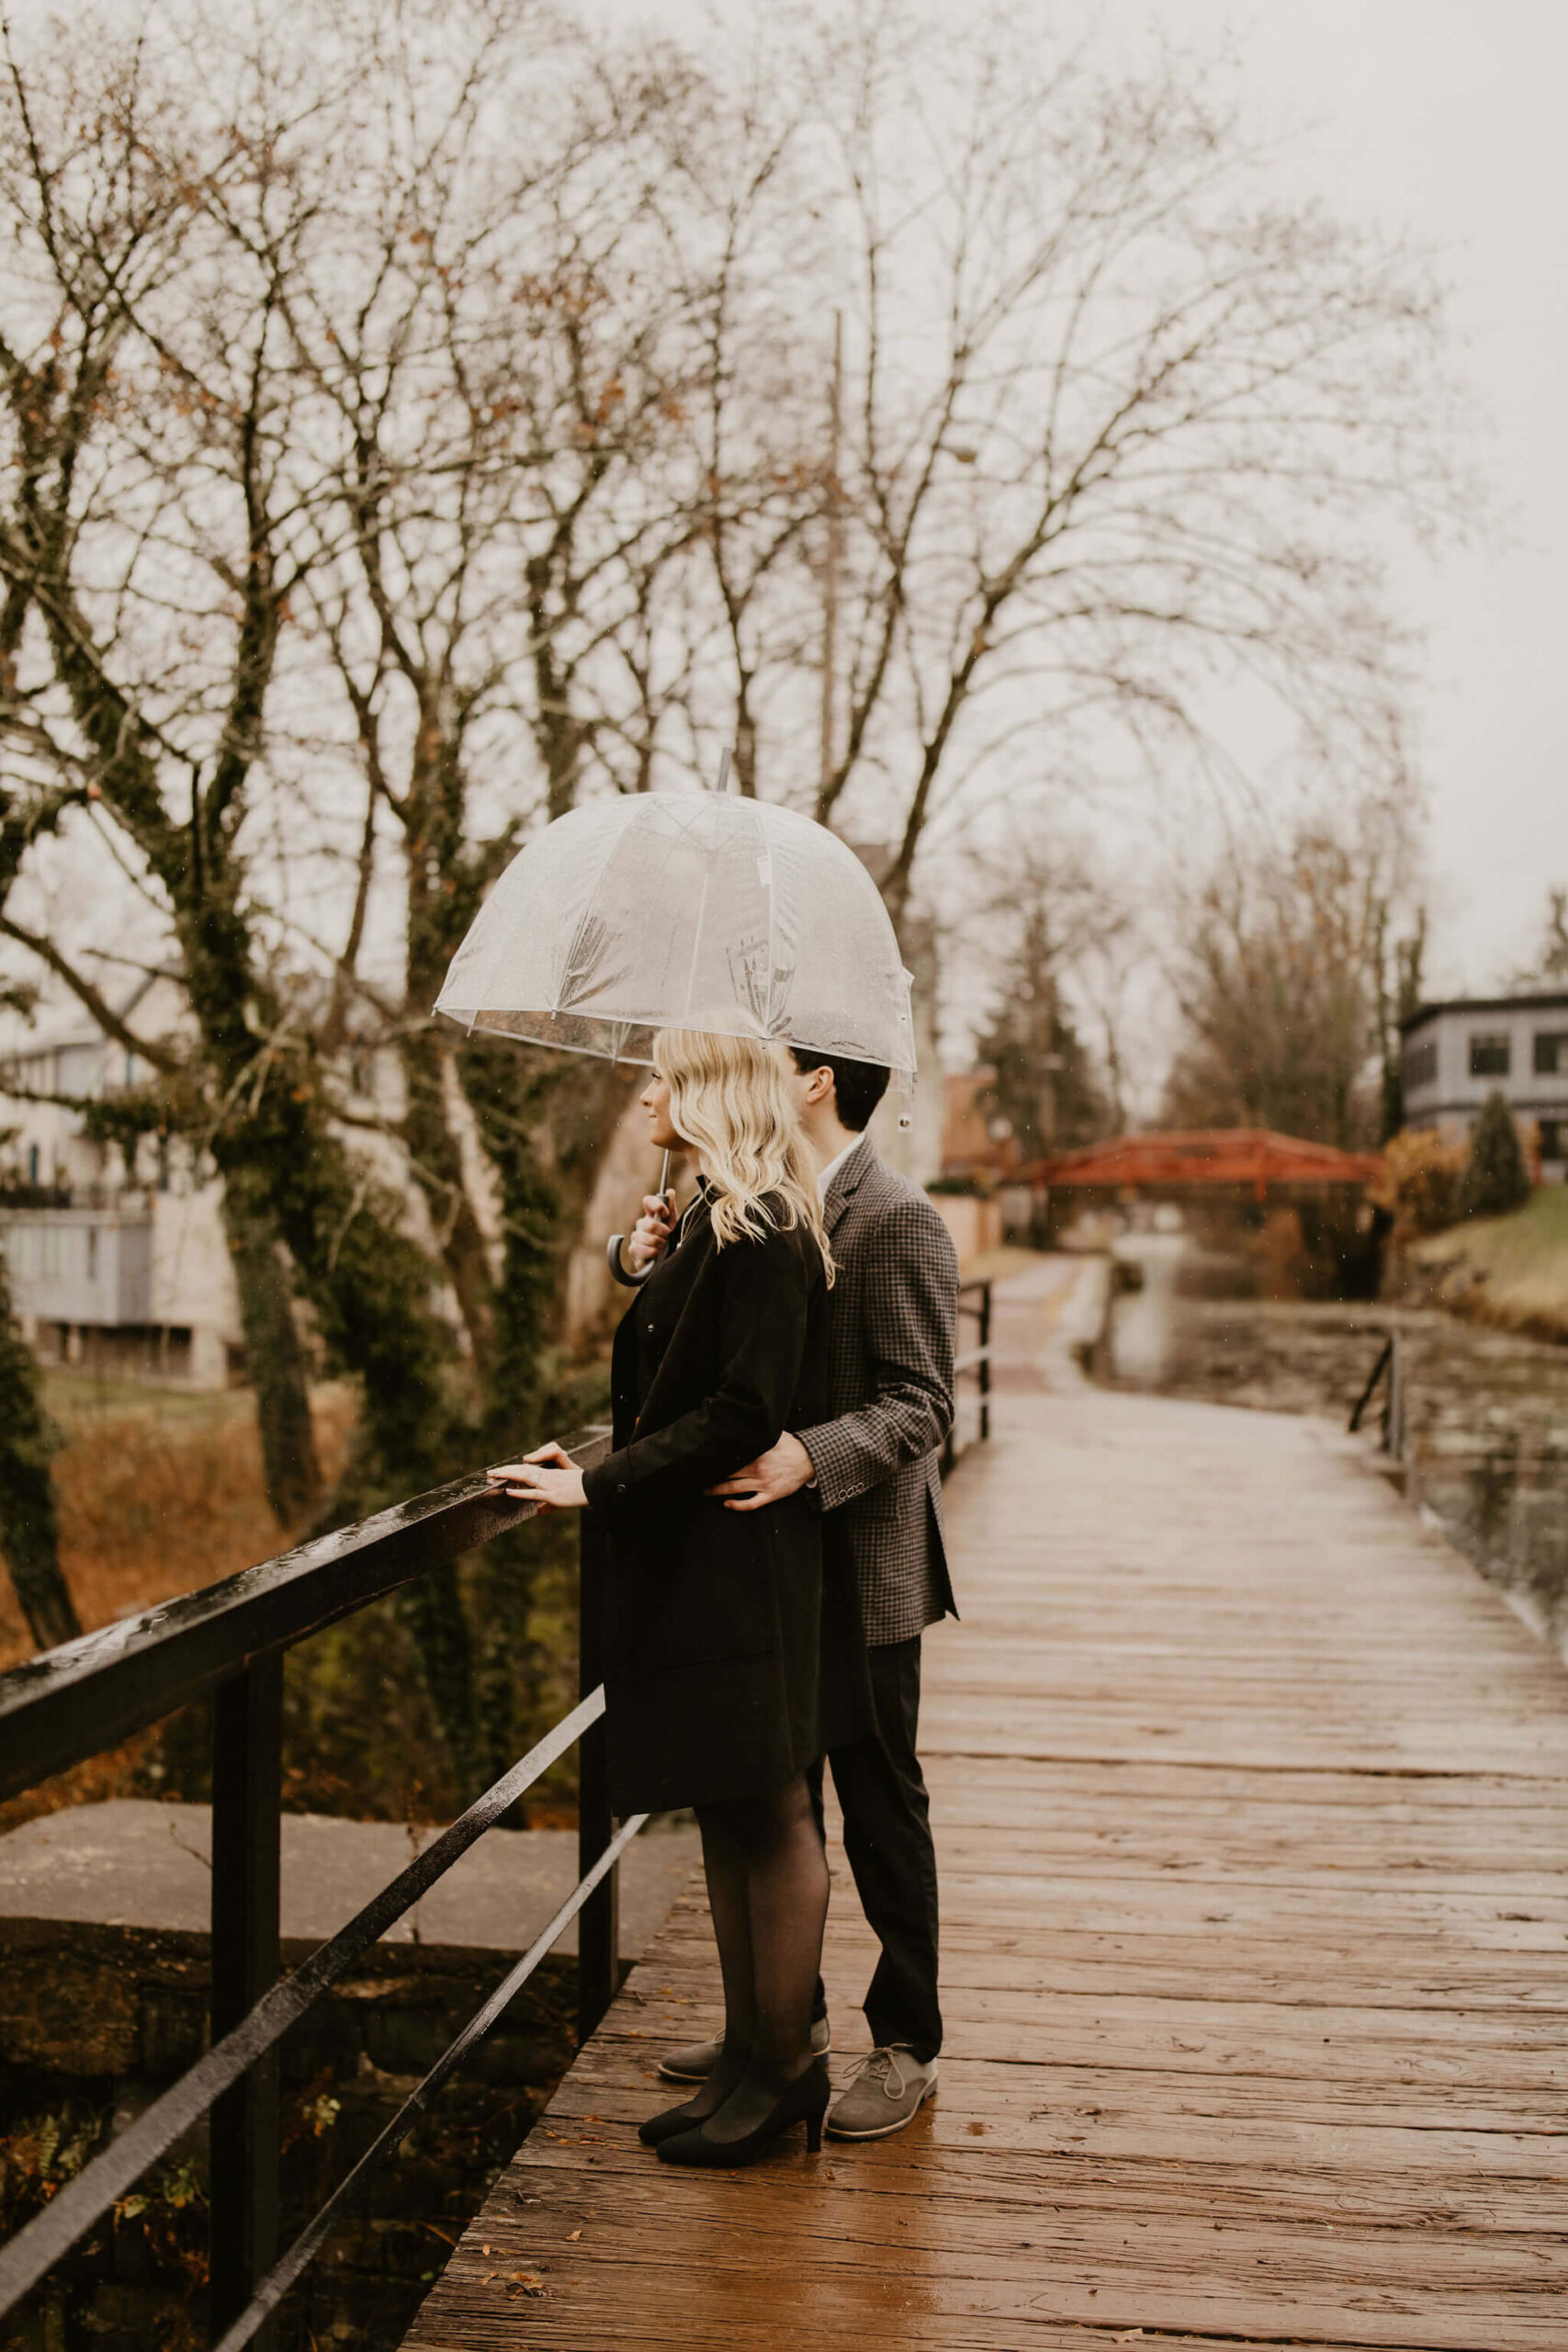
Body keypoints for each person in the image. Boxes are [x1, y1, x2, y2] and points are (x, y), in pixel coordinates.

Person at [488, 1028, 862, 2169]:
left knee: (772, 1803)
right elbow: (679, 1368)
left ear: (704, 1093)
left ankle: (790, 2069)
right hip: (704, 1557)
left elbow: (743, 1409)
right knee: (728, 1798)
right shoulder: (711, 1216)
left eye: (660, 1077)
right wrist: (646, 1265)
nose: (644, 1095)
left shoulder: (767, 1224)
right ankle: (750, 2057)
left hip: (745, 1559)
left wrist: (595, 1485)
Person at [645, 1046, 959, 2143]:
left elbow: (923, 1405)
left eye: (776, 1059)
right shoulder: (754, 1202)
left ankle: (905, 2041)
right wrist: (642, 1253)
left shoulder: (898, 1216)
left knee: (879, 1807)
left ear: (818, 1081)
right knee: (778, 1796)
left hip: (864, 1564)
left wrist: (808, 1459)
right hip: (772, 1572)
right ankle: (783, 2027)